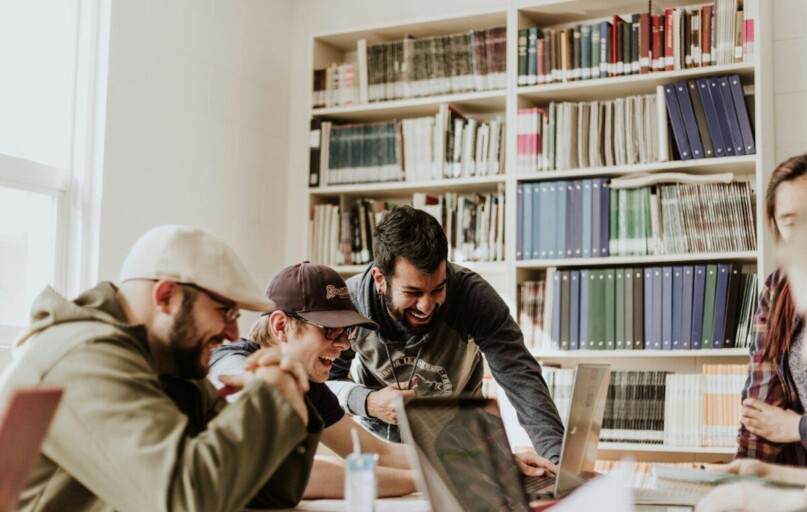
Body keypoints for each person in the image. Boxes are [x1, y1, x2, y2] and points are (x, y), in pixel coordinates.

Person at [0, 225, 322, 512]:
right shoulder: (84, 357)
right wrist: (267, 398)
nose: (234, 334)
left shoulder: (171, 367)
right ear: (166, 296)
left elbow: (270, 494)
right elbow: (184, 500)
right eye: (225, 311)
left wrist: (288, 395)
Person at [327, 205, 565, 468]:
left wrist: (558, 465)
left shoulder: (472, 297)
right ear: (380, 279)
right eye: (413, 293)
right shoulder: (350, 305)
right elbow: (325, 384)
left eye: (438, 289)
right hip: (382, 452)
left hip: (460, 448)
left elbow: (522, 379)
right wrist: (368, 401)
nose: (427, 306)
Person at [207, 261, 417, 499]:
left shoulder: (306, 382)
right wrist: (422, 481)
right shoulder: (230, 364)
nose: (344, 345)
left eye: (347, 332)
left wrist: (452, 462)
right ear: (281, 326)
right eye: (330, 330)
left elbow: (377, 453)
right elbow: (286, 472)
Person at [737, 153, 807, 466]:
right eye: (792, 223)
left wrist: (796, 427)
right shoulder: (778, 289)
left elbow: (783, 424)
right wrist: (744, 470)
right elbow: (761, 408)